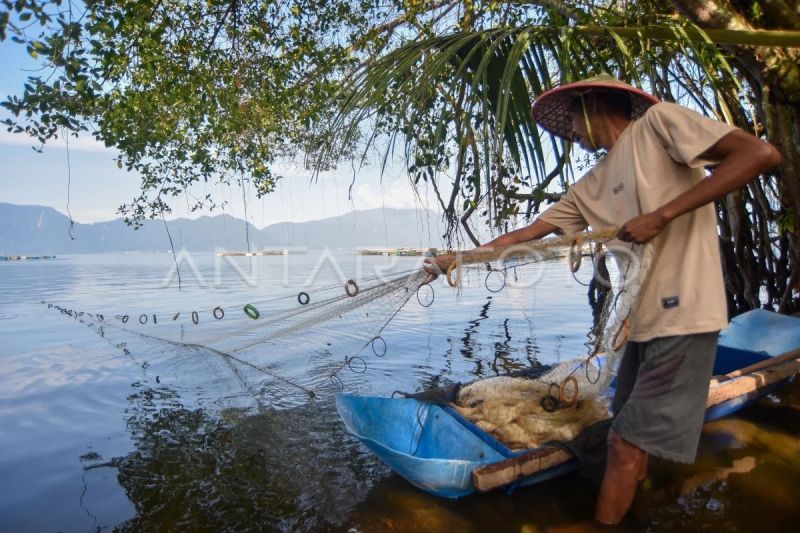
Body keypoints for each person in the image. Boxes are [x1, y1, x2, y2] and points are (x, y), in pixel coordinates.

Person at [423, 74, 782, 525]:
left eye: (571, 118)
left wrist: (661, 215)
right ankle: (639, 506)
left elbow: (759, 153)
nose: (568, 130)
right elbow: (526, 236)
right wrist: (457, 259)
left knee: (624, 441)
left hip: (685, 315)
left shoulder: (659, 124)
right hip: (640, 324)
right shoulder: (589, 186)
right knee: (627, 432)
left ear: (592, 104)